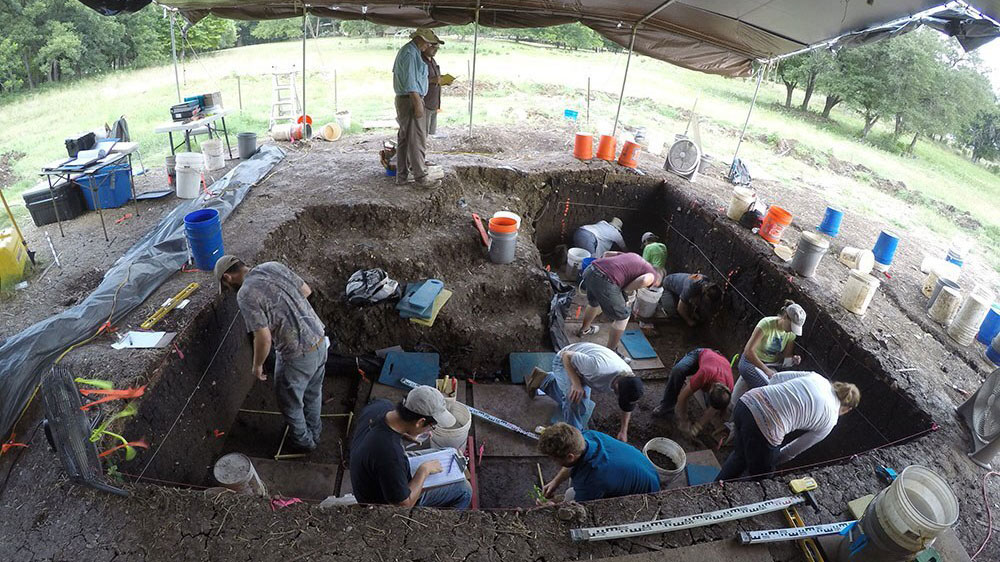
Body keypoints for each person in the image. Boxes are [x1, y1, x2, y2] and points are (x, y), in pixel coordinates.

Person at [216, 255, 330, 452]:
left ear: (227, 277)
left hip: (296, 355)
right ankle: (315, 431)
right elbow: (306, 291)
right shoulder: (273, 266)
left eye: (225, 285)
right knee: (313, 392)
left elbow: (264, 338)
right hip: (319, 339)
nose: (228, 290)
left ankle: (304, 444)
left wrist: (257, 365)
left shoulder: (245, 294)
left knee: (290, 403)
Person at [716, 372, 860, 480]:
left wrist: (767, 404)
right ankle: (730, 504)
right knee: (762, 477)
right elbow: (793, 449)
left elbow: (776, 378)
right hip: (766, 427)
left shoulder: (817, 378)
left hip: (747, 402)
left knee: (739, 455)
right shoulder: (830, 420)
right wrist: (771, 462)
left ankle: (714, 489)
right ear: (848, 409)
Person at [350, 386, 473, 508]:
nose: (430, 431)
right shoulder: (391, 454)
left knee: (448, 452)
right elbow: (403, 503)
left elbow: (378, 428)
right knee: (465, 490)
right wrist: (423, 471)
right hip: (376, 498)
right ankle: (443, 524)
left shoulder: (382, 406)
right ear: (420, 422)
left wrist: (404, 434)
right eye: (431, 426)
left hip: (369, 468)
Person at [525, 342, 645, 442]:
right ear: (617, 385)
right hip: (564, 362)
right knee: (573, 399)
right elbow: (566, 356)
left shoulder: (629, 378)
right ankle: (574, 437)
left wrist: (623, 431)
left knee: (581, 410)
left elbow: (627, 406)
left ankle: (544, 380)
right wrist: (576, 384)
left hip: (583, 369)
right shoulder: (598, 368)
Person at [537, 423, 659, 503]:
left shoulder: (593, 478)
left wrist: (550, 506)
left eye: (554, 459)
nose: (553, 462)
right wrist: (555, 482)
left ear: (570, 457)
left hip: (645, 499)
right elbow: (572, 464)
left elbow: (578, 509)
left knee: (570, 495)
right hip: (648, 472)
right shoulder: (587, 436)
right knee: (573, 485)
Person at [577, 252, 664, 351]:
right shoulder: (653, 276)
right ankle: (612, 351)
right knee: (623, 317)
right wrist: (625, 289)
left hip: (591, 269)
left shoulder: (635, 257)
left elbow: (607, 254)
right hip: (606, 281)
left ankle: (584, 329)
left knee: (594, 303)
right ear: (659, 279)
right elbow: (644, 280)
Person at [392, 28, 442, 187]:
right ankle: (421, 177)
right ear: (420, 39)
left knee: (405, 139)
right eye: (427, 42)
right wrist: (417, 103)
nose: (428, 46)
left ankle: (402, 176)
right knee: (417, 139)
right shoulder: (410, 53)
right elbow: (410, 81)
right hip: (410, 99)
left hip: (408, 99)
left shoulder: (411, 52)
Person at [730, 301, 806, 405]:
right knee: (765, 388)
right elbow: (748, 351)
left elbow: (786, 357)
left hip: (770, 365)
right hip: (751, 361)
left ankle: (743, 407)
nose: (791, 330)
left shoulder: (791, 334)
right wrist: (766, 370)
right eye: (791, 326)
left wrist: (793, 359)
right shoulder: (766, 324)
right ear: (785, 316)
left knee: (740, 396)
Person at [652, 348, 733, 436]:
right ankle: (666, 406)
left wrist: (697, 427)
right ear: (711, 388)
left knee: (711, 404)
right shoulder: (705, 373)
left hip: (718, 363)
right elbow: (683, 397)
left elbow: (713, 408)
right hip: (700, 354)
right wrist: (683, 420)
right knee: (678, 370)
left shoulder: (728, 388)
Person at [422, 42, 442, 137]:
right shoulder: (420, 61)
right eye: (433, 47)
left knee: (428, 132)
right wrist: (432, 80)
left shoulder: (433, 61)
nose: (436, 50)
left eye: (437, 48)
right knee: (422, 133)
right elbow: (415, 80)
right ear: (426, 46)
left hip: (433, 101)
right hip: (425, 102)